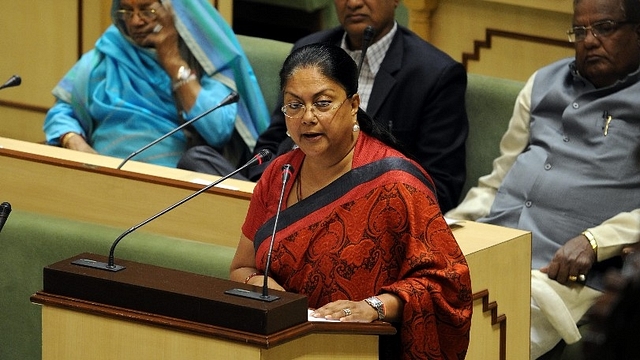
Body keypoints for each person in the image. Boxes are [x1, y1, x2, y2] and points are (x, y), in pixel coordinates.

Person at [229, 43, 472, 360]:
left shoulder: (396, 183)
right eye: (294, 106)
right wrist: (267, 291)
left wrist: (372, 308)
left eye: (322, 103)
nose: (308, 118)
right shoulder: (279, 174)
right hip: (282, 345)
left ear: (354, 104)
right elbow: (240, 268)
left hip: (365, 348)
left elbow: (447, 286)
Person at [444, 0, 640, 358]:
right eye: (580, 31)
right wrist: (446, 225)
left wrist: (595, 241)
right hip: (491, 244)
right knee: (404, 296)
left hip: (558, 274)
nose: (590, 41)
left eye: (605, 28)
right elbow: (498, 178)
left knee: (470, 336)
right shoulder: (543, 82)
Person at [245, 0, 469, 213]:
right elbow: (273, 140)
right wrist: (269, 190)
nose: (353, 3)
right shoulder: (308, 50)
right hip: (289, 196)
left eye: (323, 103)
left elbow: (441, 186)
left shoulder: (434, 74)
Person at [43, 0, 270, 174]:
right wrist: (73, 140)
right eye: (127, 11)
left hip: (171, 185)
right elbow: (62, 112)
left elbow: (217, 130)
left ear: (176, 11)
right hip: (100, 175)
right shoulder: (109, 53)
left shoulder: (204, 60)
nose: (134, 21)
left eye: (146, 10)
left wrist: (172, 60)